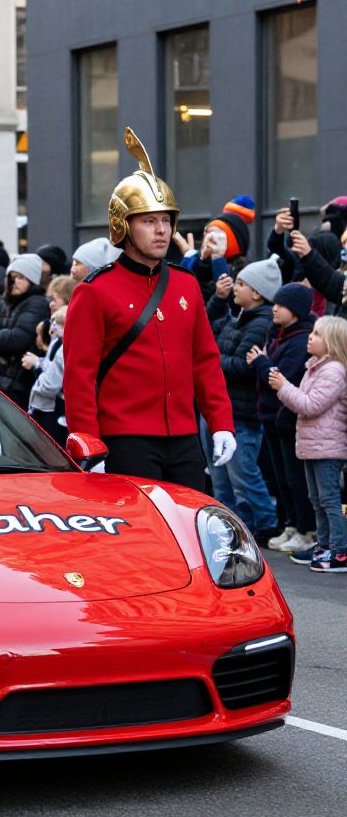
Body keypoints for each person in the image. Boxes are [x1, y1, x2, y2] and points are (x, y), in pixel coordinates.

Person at [63, 127, 234, 488]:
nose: (162, 230)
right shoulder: (95, 291)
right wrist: (87, 444)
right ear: (123, 227)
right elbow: (79, 378)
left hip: (184, 437)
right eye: (149, 221)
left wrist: (221, 423)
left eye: (166, 220)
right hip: (125, 439)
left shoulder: (186, 283)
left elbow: (204, 361)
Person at [201, 256, 281, 540]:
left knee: (243, 476)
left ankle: (265, 523)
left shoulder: (261, 324)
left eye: (242, 284)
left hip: (241, 413)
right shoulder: (240, 317)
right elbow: (207, 329)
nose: (235, 287)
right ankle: (230, 525)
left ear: (257, 293)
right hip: (219, 408)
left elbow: (240, 366)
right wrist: (219, 299)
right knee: (220, 476)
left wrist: (209, 359)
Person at [270, 315, 347, 573]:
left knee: (329, 500)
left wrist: (283, 387)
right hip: (314, 445)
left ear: (332, 342)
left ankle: (340, 550)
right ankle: (324, 545)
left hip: (329, 447)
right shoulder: (315, 367)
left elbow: (310, 405)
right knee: (317, 499)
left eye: (317, 334)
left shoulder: (334, 371)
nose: (310, 337)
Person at [246, 283, 316, 555]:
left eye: (281, 305)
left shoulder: (300, 340)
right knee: (280, 477)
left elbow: (282, 379)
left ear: (295, 310)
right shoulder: (279, 335)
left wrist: (262, 363)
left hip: (287, 419)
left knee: (295, 478)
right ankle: (290, 523)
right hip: (271, 417)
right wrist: (265, 365)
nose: (274, 308)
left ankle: (305, 529)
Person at [0, 254, 50, 407]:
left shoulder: (37, 303)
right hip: (3, 380)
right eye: (12, 277)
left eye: (21, 277)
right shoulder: (6, 303)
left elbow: (16, 340)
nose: (14, 282)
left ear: (32, 280)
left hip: (20, 383)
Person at [23, 305, 67, 444]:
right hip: (48, 407)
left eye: (57, 324)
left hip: (53, 410)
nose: (52, 328)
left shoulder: (62, 348)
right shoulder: (58, 345)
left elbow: (50, 383)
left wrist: (37, 366)